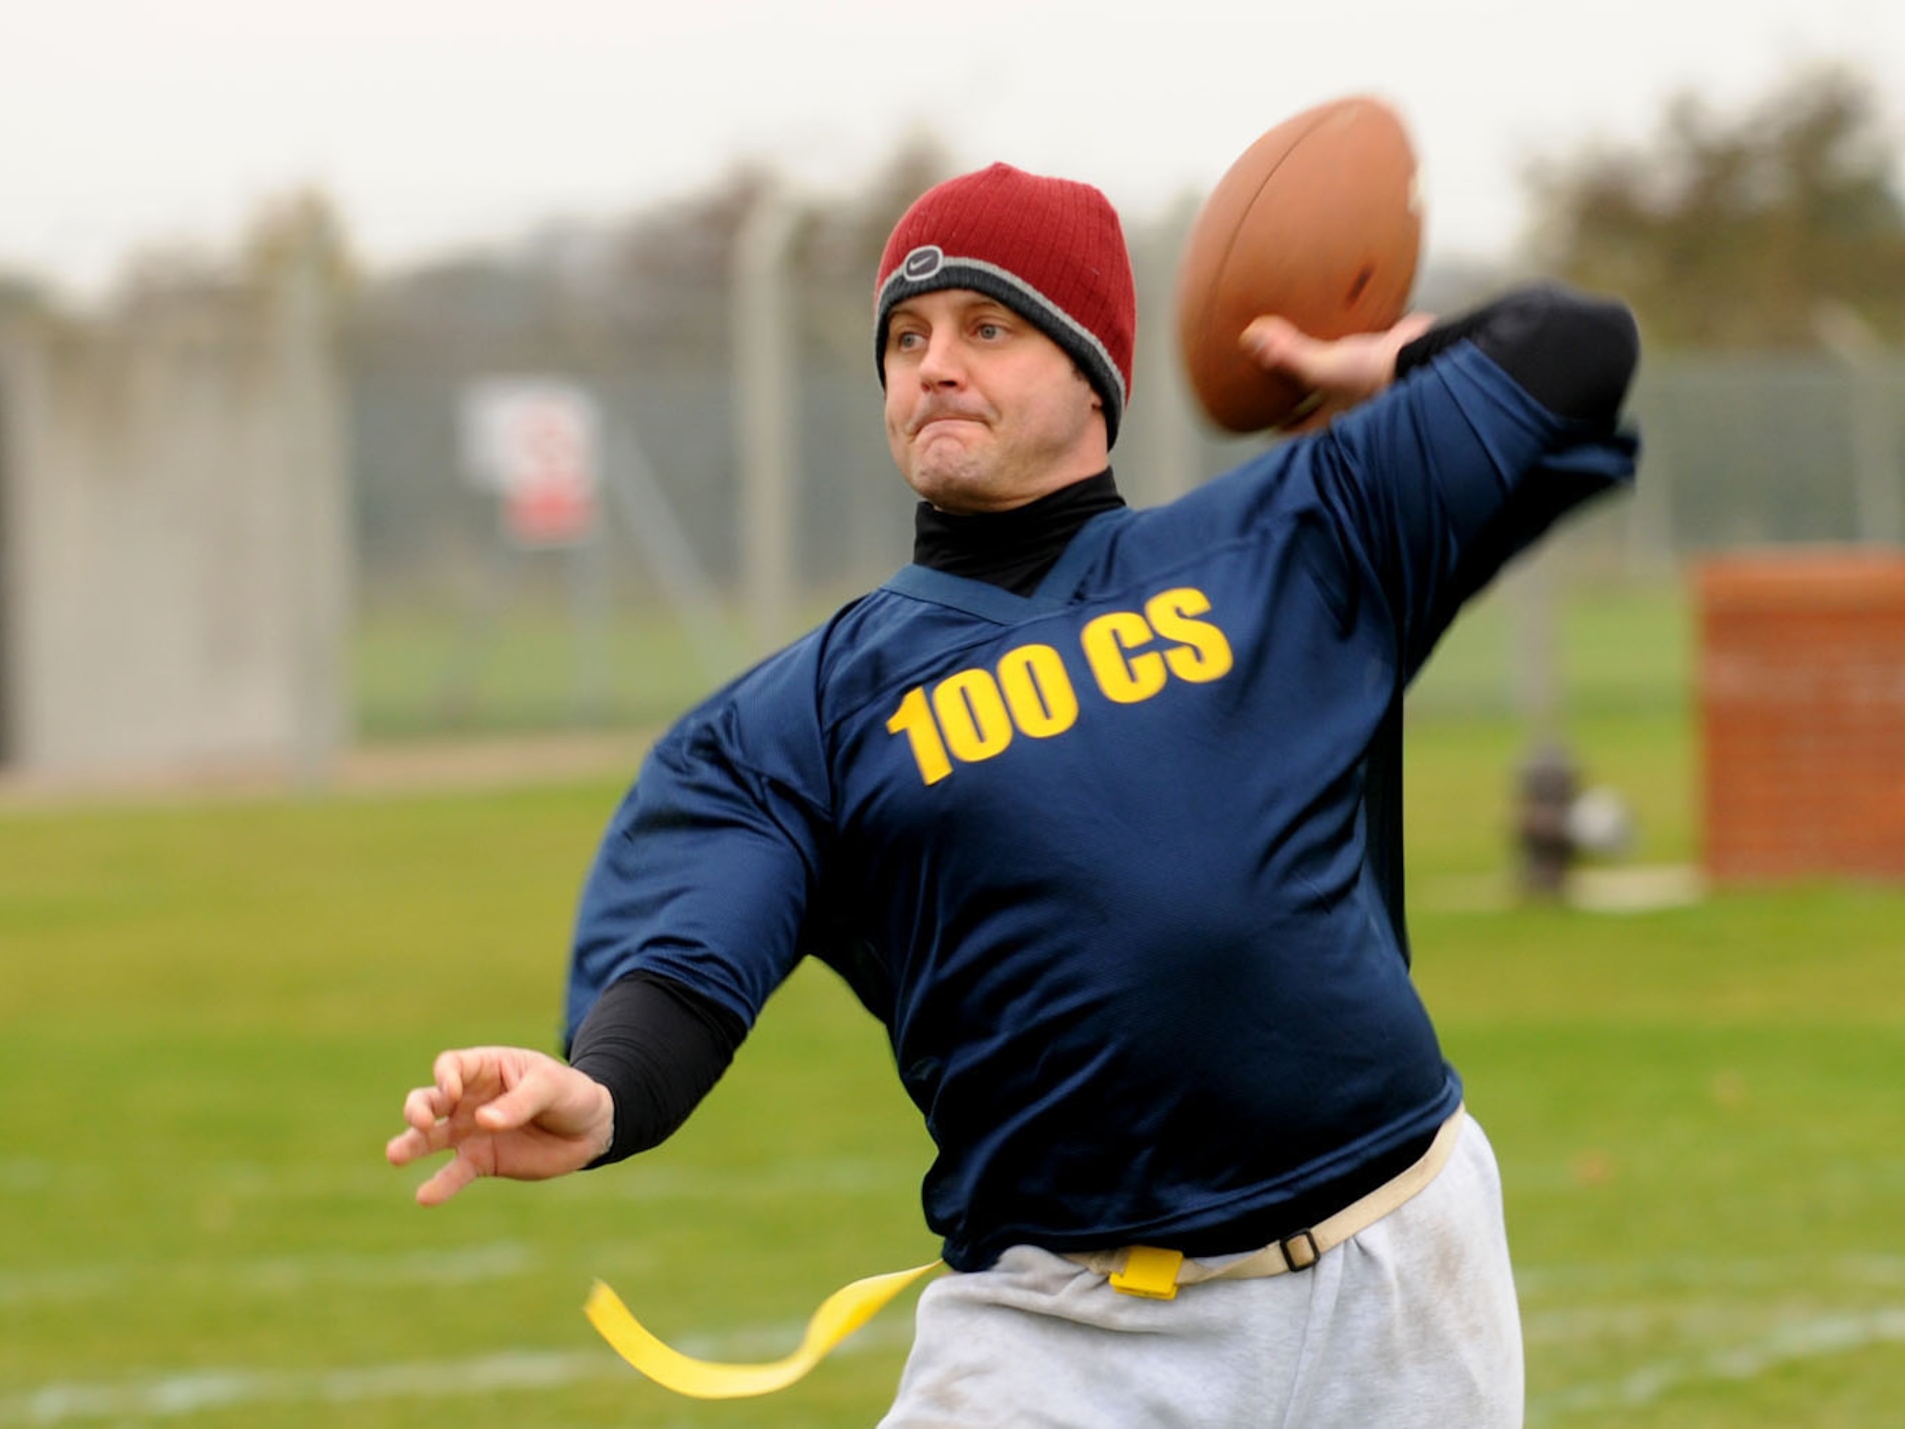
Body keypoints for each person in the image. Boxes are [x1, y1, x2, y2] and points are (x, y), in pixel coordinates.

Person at [387, 161, 1640, 1425]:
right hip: (1069, 1330)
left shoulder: (1281, 542)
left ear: (1091, 369)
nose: (933, 364)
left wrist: (1385, 367)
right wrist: (598, 1092)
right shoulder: (800, 714)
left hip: (1400, 1264)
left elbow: (1578, 349)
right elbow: (691, 963)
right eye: (905, 337)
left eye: (988, 328)